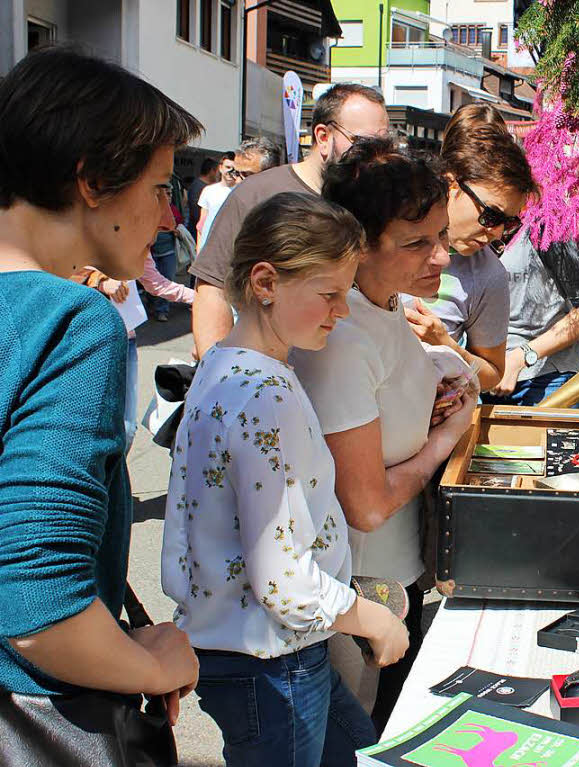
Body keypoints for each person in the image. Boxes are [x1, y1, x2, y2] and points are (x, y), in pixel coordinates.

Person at [0, 47, 202, 763]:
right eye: (158, 186)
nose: (170, 212)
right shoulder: (70, 320)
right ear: (91, 180)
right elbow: (36, 604)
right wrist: (152, 666)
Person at [162, 192, 406, 766]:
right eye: (329, 294)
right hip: (272, 661)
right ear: (266, 282)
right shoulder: (266, 391)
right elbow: (280, 579)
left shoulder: (224, 364)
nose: (341, 310)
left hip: (256, 650)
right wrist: (374, 621)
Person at [292, 137, 477, 732]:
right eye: (417, 243)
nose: (441, 257)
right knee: (359, 731)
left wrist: (430, 397)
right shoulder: (340, 334)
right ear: (357, 243)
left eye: (442, 237)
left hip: (395, 576)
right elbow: (366, 505)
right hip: (356, 595)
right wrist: (444, 440)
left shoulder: (385, 304)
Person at [190, 83, 391, 357]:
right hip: (267, 381)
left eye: (386, 145)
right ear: (323, 136)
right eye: (365, 144)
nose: (379, 157)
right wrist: (219, 370)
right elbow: (212, 286)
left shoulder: (374, 202)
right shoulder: (258, 193)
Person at [403, 104, 536, 391]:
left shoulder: (488, 274)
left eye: (510, 223)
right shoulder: (385, 227)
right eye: (491, 215)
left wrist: (446, 344)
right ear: (451, 184)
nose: (497, 232)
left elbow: (491, 374)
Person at [76, 253, 196, 452]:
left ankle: (112, 479)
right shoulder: (89, 226)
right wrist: (98, 281)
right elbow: (61, 270)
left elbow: (155, 282)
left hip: (127, 338)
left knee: (127, 427)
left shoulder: (140, 241)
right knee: (93, 423)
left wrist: (204, 299)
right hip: (93, 340)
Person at [482, 232, 579, 406]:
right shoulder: (469, 229)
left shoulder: (548, 226)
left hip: (546, 381)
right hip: (485, 380)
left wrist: (519, 359)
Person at [195, 152, 238, 251]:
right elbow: (201, 224)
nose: (231, 171)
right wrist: (199, 249)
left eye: (234, 168)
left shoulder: (242, 191)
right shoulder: (208, 191)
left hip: (231, 248)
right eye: (228, 167)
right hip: (208, 247)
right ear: (220, 168)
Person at [186, 156, 219, 240]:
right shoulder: (198, 187)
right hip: (197, 232)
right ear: (212, 171)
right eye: (218, 172)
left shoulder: (209, 186)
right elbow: (196, 213)